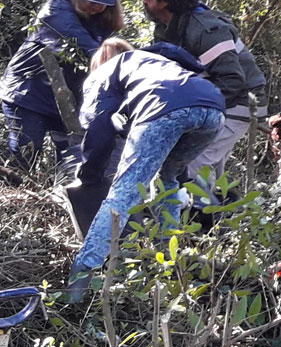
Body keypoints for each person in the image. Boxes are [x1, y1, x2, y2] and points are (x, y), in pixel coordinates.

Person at [67, 39, 225, 301]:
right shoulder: (153, 62)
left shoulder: (104, 74)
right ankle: (169, 262)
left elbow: (99, 128)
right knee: (169, 178)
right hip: (213, 108)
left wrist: (89, 175)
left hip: (164, 106)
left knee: (123, 193)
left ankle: (80, 278)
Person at [141, 0, 267, 189]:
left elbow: (232, 80)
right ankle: (219, 213)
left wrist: (196, 111)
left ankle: (201, 220)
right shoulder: (167, 28)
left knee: (194, 163)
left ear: (165, 0)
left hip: (239, 104)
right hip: (217, 102)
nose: (143, 1)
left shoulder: (205, 29)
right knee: (207, 171)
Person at [0, 0, 122, 172]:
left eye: (102, 2)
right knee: (25, 153)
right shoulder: (57, 7)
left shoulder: (105, 19)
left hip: (65, 99)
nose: (95, 6)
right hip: (28, 92)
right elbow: (81, 42)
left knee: (71, 158)